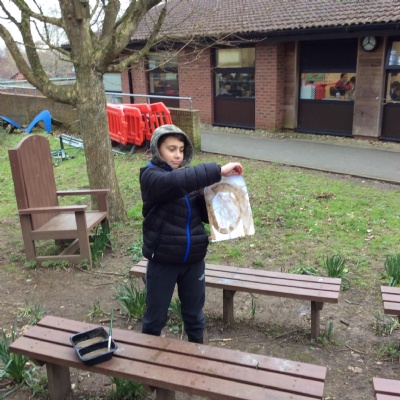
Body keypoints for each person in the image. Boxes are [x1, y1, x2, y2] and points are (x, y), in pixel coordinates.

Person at [140, 124, 243, 344]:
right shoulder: (151, 177)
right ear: (157, 149)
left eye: (181, 150)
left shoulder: (187, 180)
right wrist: (217, 171)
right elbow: (174, 183)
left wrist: (207, 194)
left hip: (193, 261)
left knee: (195, 317)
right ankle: (146, 359)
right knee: (155, 318)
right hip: (163, 261)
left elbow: (204, 217)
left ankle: (197, 355)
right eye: (171, 149)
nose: (178, 155)